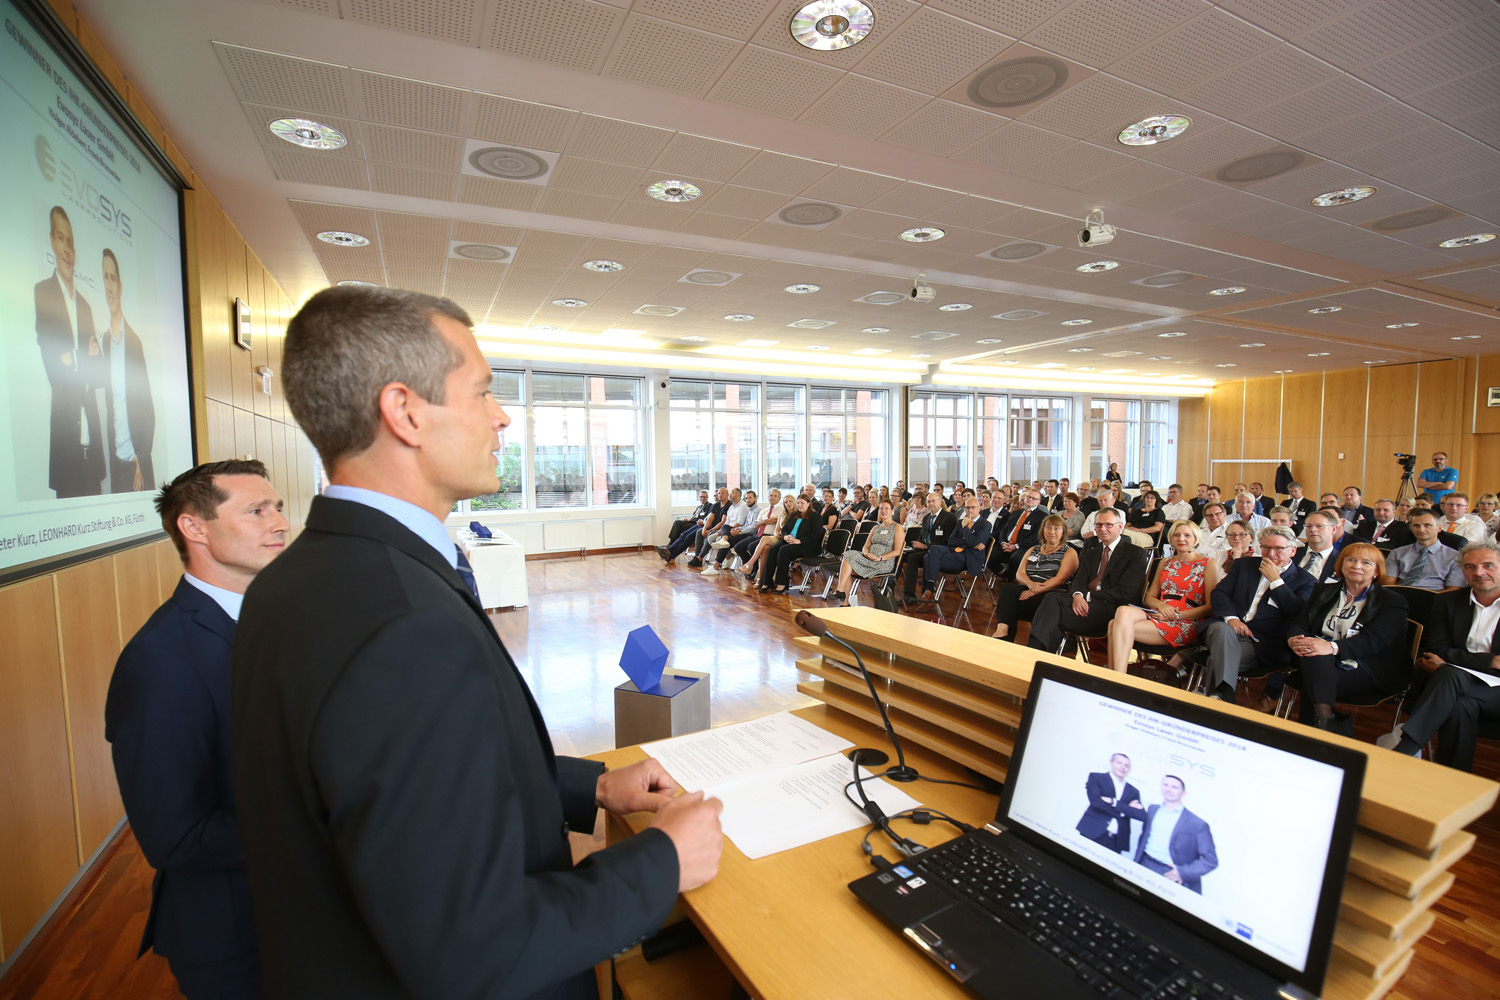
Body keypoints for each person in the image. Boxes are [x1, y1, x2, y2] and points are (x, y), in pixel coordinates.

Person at [231, 286, 723, 997]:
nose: (502, 416)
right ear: (405, 412)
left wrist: (590, 785)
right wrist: (663, 861)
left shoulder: (297, 577)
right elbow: (472, 947)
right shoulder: (405, 624)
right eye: (483, 391)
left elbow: (400, 789)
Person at [105, 460, 288, 999]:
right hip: (237, 940)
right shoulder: (159, 662)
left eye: (277, 507)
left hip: (300, 919)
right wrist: (325, 817)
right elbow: (177, 838)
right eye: (257, 511)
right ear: (194, 528)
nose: (280, 522)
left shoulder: (277, 619)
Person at [1382, 542, 1500, 770]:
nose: (1478, 572)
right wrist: (1491, 661)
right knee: (1460, 704)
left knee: (1450, 675)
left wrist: (1451, 663)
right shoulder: (1448, 601)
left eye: (1488, 565)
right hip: (1456, 684)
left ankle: (1406, 748)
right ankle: (1453, 777)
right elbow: (1438, 649)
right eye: (1470, 567)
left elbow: (1445, 658)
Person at [1286, 543, 1409, 731]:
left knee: (1314, 670)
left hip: (1367, 665)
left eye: (1366, 563)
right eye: (1351, 560)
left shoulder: (1391, 601)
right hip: (1320, 660)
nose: (1356, 566)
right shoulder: (1323, 591)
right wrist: (1294, 639)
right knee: (1316, 659)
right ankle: (1324, 722)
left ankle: (1317, 728)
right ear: (1341, 565)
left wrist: (1332, 648)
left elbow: (1374, 641)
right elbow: (1300, 623)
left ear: (1376, 571)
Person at [1199, 526, 1315, 706]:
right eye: (1266, 547)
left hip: (1259, 642)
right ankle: (1222, 699)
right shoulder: (1244, 566)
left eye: (1278, 548)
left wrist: (1276, 581)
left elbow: (1296, 612)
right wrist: (1232, 619)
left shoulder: (1305, 581)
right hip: (1224, 628)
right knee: (1222, 629)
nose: (1271, 554)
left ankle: (1217, 699)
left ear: (1292, 551)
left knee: (1217, 658)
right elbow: (1219, 593)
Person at [36, 205, 104, 497]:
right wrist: (82, 357)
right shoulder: (43, 292)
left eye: (71, 242)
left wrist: (75, 359)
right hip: (66, 450)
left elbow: (99, 375)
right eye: (61, 239)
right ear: (52, 241)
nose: (66, 249)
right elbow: (53, 367)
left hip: (93, 450)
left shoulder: (86, 307)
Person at [1027, 508, 1148, 654]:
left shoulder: (1135, 553)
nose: (1103, 529)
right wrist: (1078, 595)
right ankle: (1037, 653)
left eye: (1109, 525)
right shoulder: (1092, 552)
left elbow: (1126, 592)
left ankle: (1036, 654)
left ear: (1120, 526)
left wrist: (1087, 596)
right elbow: (1079, 580)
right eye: (1099, 525)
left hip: (1113, 609)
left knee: (1053, 615)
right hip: (1085, 604)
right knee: (1052, 598)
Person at [1106, 520, 1212, 672]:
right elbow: (1149, 598)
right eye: (1176, 535)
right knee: (1122, 611)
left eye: (1187, 535)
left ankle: (1116, 677)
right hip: (1159, 613)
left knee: (1113, 625)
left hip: (1185, 621)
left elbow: (1210, 608)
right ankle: (1117, 676)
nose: (1181, 539)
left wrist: (1177, 615)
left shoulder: (1208, 564)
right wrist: (1161, 605)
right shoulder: (1165, 562)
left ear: (1196, 539)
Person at [92, 249, 155, 492]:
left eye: (113, 278)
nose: (109, 286)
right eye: (105, 278)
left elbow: (148, 409)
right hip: (116, 464)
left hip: (136, 465)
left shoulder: (134, 342)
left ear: (120, 286)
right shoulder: (104, 341)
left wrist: (142, 457)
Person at [992, 514, 1077, 641]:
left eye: (1056, 528)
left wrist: (1035, 590)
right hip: (1029, 589)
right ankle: (1002, 632)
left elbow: (1061, 579)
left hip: (1051, 594)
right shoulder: (1033, 549)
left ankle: (1032, 641)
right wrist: (1030, 585)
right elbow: (1020, 574)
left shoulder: (1069, 552)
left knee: (1021, 603)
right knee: (1008, 589)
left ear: (1063, 532)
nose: (1051, 531)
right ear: (1043, 530)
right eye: (1048, 527)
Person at [1133, 776, 1217, 894]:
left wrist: (1183, 872)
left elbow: (1210, 860)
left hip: (1170, 874)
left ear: (1184, 793)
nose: (1168, 789)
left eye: (1174, 787)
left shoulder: (1197, 824)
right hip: (1144, 864)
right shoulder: (1152, 809)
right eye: (1165, 785)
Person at [917, 494, 992, 601]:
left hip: (969, 557)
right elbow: (951, 541)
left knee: (927, 558)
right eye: (967, 507)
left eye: (973, 507)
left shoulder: (985, 524)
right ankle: (929, 591)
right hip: (954, 551)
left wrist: (965, 528)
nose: (970, 510)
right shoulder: (961, 522)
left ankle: (928, 591)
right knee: (933, 549)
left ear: (979, 508)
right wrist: (970, 543)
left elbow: (973, 541)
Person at [831, 499, 905, 605]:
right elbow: (865, 546)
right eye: (881, 508)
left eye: (887, 508)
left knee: (846, 570)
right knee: (848, 555)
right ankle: (842, 595)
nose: (883, 511)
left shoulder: (897, 528)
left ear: (892, 511)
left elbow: (897, 551)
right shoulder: (875, 527)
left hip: (883, 562)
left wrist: (880, 557)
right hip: (869, 558)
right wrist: (866, 554)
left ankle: (842, 596)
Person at [1075, 754, 1145, 853]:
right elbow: (1096, 802)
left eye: (1126, 765)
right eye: (1119, 763)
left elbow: (1141, 815)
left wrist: (1114, 802)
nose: (1122, 767)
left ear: (1129, 769)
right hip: (1091, 832)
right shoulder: (1096, 777)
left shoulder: (1133, 791)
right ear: (1111, 763)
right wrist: (1124, 811)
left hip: (1115, 841)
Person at [1382, 508, 1464, 591]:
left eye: (1427, 525)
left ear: (1439, 528)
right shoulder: (1397, 553)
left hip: (1436, 596)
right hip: (1400, 595)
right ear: (1411, 527)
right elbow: (1388, 585)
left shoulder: (1455, 557)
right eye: (1416, 525)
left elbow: (1453, 590)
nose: (1421, 529)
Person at [759, 494, 824, 593]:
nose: (799, 505)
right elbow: (784, 529)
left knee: (783, 550)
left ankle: (782, 584)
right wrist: (785, 536)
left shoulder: (815, 516)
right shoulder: (795, 514)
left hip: (806, 545)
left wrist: (799, 541)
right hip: (789, 541)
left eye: (802, 503)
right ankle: (766, 582)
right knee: (772, 550)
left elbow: (816, 535)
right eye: (798, 503)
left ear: (808, 504)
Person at [739, 492, 794, 579]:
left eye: (775, 496)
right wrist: (766, 521)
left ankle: (753, 568)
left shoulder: (781, 510)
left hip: (773, 535)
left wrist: (763, 522)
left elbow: (776, 522)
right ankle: (758, 574)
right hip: (763, 534)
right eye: (771, 495)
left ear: (779, 498)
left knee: (753, 546)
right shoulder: (764, 510)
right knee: (739, 546)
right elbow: (756, 525)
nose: (772, 497)